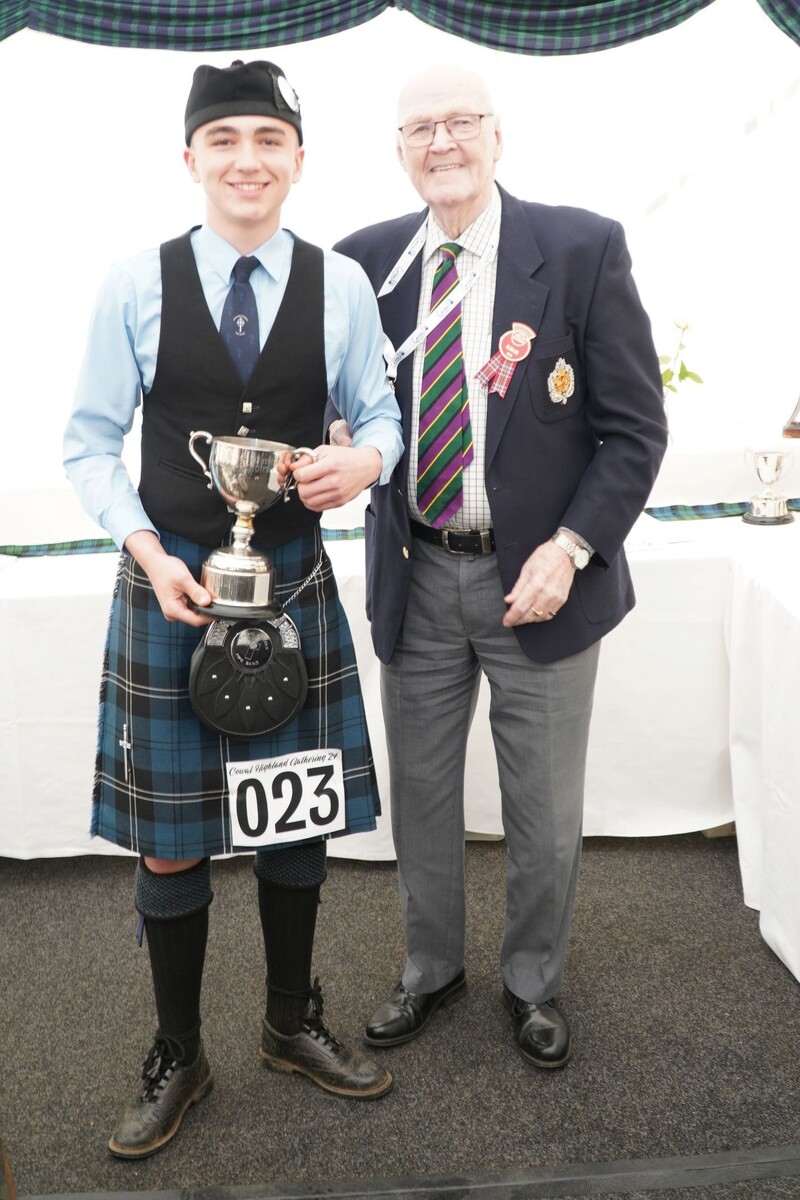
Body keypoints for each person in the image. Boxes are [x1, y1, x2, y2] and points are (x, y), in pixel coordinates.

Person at [63, 58, 403, 1159]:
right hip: (168, 592)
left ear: (297, 158)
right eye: (225, 140)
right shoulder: (133, 282)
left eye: (268, 138)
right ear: (190, 158)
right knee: (170, 845)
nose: (247, 158)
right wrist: (149, 553)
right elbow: (88, 441)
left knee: (291, 813)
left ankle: (289, 1020)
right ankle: (179, 1050)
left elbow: (378, 419)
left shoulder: (341, 284)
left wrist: (363, 463)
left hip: (292, 579)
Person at [332, 64, 668, 1069]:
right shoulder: (362, 265)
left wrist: (571, 549)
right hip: (417, 570)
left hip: (541, 583)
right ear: (397, 149)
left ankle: (532, 983)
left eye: (458, 122)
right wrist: (335, 445)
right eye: (417, 128)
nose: (440, 142)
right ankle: (429, 968)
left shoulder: (576, 248)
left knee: (541, 805)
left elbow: (632, 431)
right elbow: (340, 407)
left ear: (495, 135)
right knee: (422, 796)